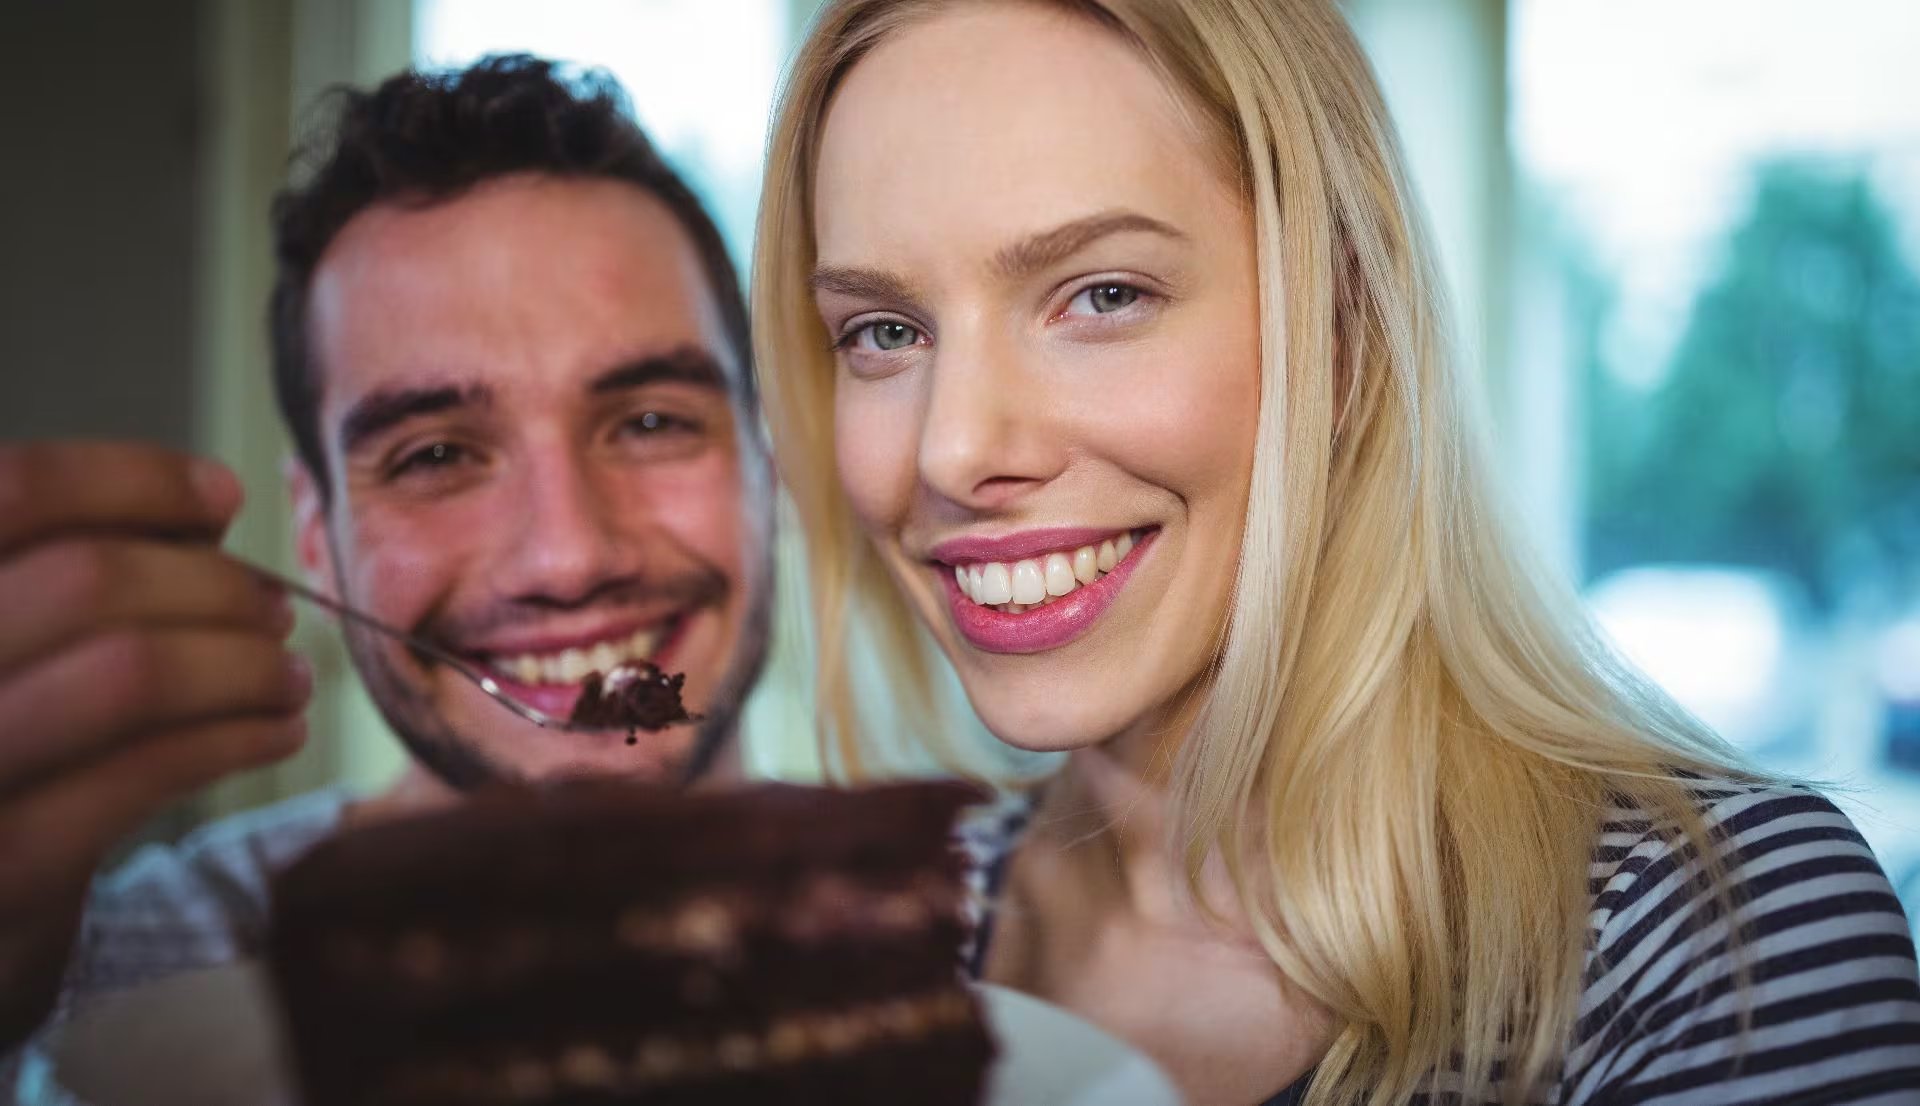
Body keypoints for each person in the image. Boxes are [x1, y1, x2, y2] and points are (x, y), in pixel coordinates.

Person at [752, 2, 1920, 1104]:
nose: (955, 449)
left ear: (1343, 334)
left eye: (1102, 294)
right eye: (884, 331)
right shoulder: (861, 948)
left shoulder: (1711, 932)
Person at [0, 55, 772, 1098]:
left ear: (773, 460)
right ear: (316, 533)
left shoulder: (999, 918)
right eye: (436, 455)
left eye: (649, 422)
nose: (568, 555)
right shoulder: (106, 977)